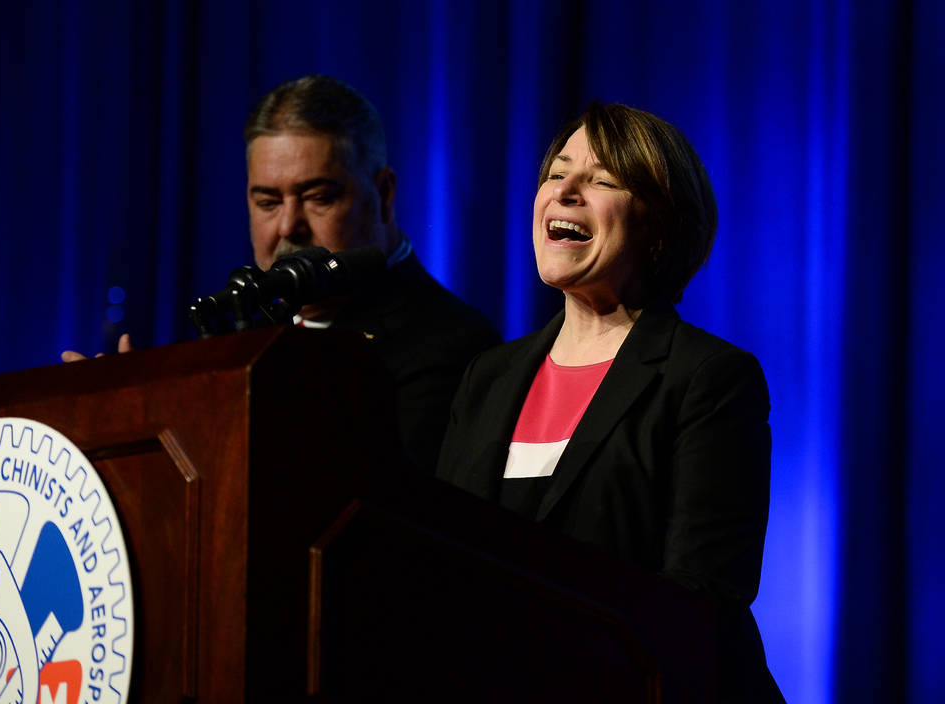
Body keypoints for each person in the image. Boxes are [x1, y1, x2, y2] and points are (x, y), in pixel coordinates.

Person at [435, 102, 782, 701]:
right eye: (556, 173)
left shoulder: (709, 378)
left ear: (659, 225)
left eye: (601, 180)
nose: (565, 192)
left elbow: (701, 598)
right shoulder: (488, 376)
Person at [65, 75, 501, 472]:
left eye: (317, 197)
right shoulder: (237, 331)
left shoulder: (456, 348)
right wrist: (132, 428)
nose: (289, 225)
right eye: (268, 202)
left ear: (384, 196)